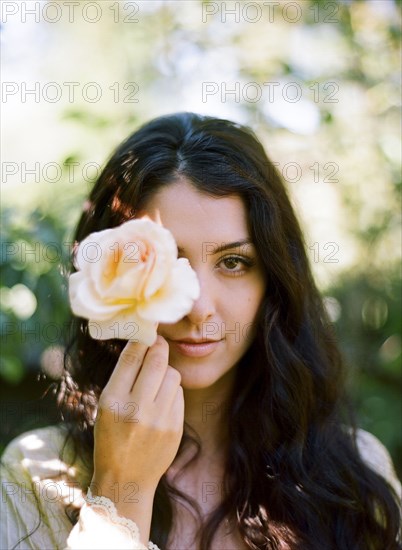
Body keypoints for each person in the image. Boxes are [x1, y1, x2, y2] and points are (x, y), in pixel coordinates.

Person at [1, 112, 401, 550]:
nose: (198, 307)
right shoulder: (36, 475)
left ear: (274, 281)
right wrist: (118, 496)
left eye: (234, 262)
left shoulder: (356, 473)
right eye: (167, 262)